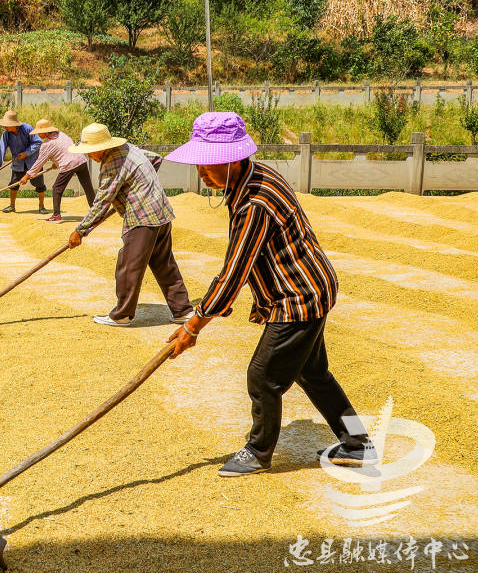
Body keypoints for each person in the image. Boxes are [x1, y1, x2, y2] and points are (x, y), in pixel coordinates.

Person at [163, 112, 373, 477]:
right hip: (310, 286)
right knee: (315, 374)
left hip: (299, 297)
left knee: (262, 377)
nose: (202, 173)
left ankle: (258, 452)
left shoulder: (254, 202)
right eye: (200, 164)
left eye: (209, 165)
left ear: (233, 158)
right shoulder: (251, 178)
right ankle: (358, 444)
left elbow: (233, 273)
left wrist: (194, 324)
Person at [67, 122, 193, 327]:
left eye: (90, 152)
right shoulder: (128, 148)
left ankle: (122, 314)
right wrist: (138, 183)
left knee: (128, 266)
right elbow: (155, 159)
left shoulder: (112, 162)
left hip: (142, 217)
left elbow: (101, 201)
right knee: (164, 263)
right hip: (160, 211)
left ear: (101, 149)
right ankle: (182, 310)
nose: (90, 156)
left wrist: (80, 231)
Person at [20, 118, 96, 223]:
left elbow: (39, 163)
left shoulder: (46, 145)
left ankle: (56, 215)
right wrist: (57, 163)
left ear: (45, 132)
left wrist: (27, 176)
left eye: (40, 133)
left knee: (56, 188)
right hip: (81, 160)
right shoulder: (61, 134)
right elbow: (64, 149)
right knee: (88, 188)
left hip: (69, 164)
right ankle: (96, 212)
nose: (38, 135)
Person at [0, 109, 45, 214]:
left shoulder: (27, 128)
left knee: (39, 184)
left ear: (14, 125)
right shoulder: (6, 134)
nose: (5, 127)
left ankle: (41, 206)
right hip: (17, 162)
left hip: (33, 162)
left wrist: (26, 153)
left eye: (7, 125)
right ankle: (12, 206)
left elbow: (38, 142)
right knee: (14, 184)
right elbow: (1, 150)